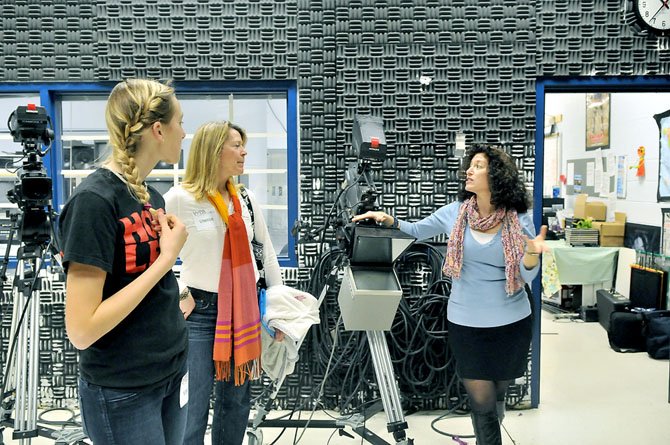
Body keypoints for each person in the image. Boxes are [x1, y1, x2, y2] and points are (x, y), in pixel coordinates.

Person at [353, 145, 549, 445]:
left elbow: (526, 275)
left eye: (479, 166)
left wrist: (532, 255)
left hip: (511, 323)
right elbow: (418, 229)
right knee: (480, 397)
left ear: (496, 175)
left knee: (496, 393)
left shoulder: (517, 219)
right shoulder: (456, 213)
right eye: (470, 165)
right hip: (466, 322)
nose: (469, 171)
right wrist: (388, 220)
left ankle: (490, 430)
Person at [59, 79, 189, 445]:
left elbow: (144, 282)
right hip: (124, 387)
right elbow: (82, 331)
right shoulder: (93, 203)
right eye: (180, 121)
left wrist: (178, 295)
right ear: (158, 129)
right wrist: (166, 261)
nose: (184, 131)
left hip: (171, 371)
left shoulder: (151, 197)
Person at [164, 121, 283, 445]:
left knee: (236, 403)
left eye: (243, 144)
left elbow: (267, 257)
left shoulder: (244, 199)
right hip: (197, 314)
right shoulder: (178, 198)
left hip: (242, 312)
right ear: (213, 151)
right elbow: (154, 262)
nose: (244, 151)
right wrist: (182, 292)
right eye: (236, 145)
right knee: (192, 405)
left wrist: (279, 310)